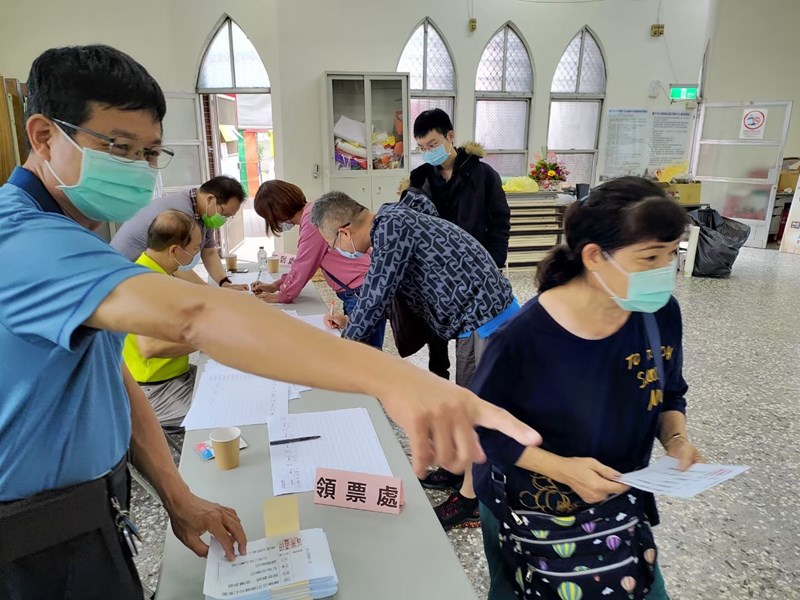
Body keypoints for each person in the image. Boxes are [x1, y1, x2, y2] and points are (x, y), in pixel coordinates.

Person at [0, 45, 541, 599]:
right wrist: (392, 378)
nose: (135, 168)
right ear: (44, 136)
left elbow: (111, 378)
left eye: (149, 152)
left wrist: (175, 494)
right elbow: (195, 316)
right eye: (118, 147)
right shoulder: (23, 239)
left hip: (91, 509)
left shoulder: (65, 233)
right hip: (34, 534)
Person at [472, 177, 705, 600]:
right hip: (531, 513)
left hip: (618, 507)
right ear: (595, 256)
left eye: (671, 255)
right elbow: (482, 429)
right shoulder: (524, 337)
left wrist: (676, 439)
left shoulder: (658, 313)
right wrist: (564, 470)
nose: (665, 271)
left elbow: (670, 391)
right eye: (650, 257)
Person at [311, 188, 521, 529]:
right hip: (475, 321)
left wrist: (337, 354)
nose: (337, 251)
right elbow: (385, 289)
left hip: (490, 323)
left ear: (345, 231)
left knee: (475, 413)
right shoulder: (393, 224)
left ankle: (472, 499)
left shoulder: (391, 227)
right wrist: (351, 322)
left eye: (333, 243)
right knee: (463, 404)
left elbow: (377, 295)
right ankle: (457, 472)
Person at [410, 108, 511, 385]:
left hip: (475, 272)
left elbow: (500, 221)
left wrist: (493, 263)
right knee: (437, 336)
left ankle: (469, 388)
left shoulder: (483, 175)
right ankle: (438, 384)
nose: (428, 152)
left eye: (432, 145)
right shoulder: (419, 177)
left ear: (449, 137)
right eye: (421, 147)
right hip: (436, 274)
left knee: (472, 337)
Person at [250, 179, 385, 349]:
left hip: (359, 289)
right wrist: (275, 286)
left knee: (364, 351)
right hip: (359, 287)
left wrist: (281, 295)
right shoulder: (314, 211)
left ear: (276, 213)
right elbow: (303, 263)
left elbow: (303, 265)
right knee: (360, 346)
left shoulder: (312, 221)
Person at [122, 210, 203, 430]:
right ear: (175, 250)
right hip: (155, 391)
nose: (196, 255)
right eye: (195, 249)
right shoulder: (144, 284)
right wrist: (208, 339)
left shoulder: (153, 270)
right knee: (219, 414)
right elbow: (151, 347)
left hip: (175, 376)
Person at [112, 174, 248, 290]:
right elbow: (178, 266)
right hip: (124, 273)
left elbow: (209, 252)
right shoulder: (180, 215)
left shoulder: (205, 214)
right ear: (210, 199)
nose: (223, 219)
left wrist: (224, 283)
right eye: (224, 213)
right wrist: (212, 293)